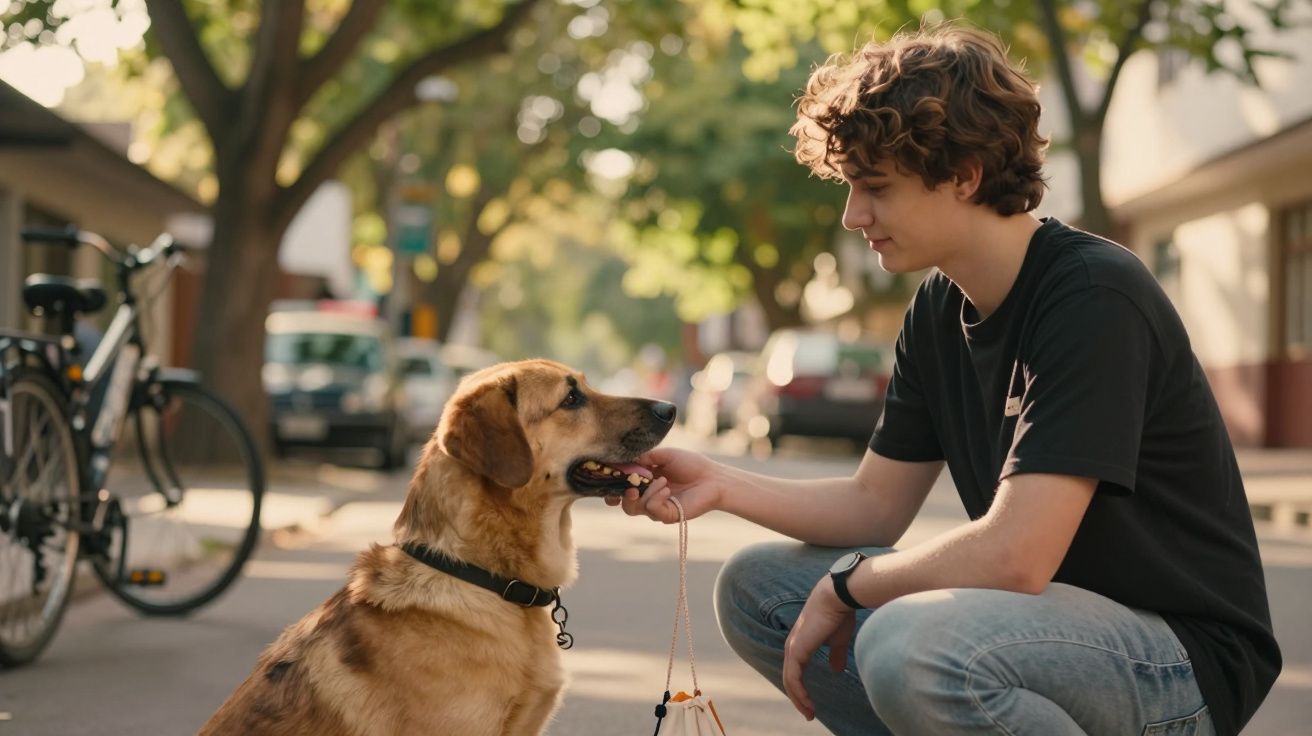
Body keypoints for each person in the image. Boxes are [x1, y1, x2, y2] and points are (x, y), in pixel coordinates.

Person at [611, 22, 1280, 736]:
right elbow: (873, 506)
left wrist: (850, 585)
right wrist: (720, 483)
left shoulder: (1092, 295)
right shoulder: (937, 308)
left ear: (965, 174)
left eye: (875, 188)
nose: (852, 215)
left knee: (915, 646)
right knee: (756, 588)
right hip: (1042, 626)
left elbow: (1017, 554)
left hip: (1178, 660)